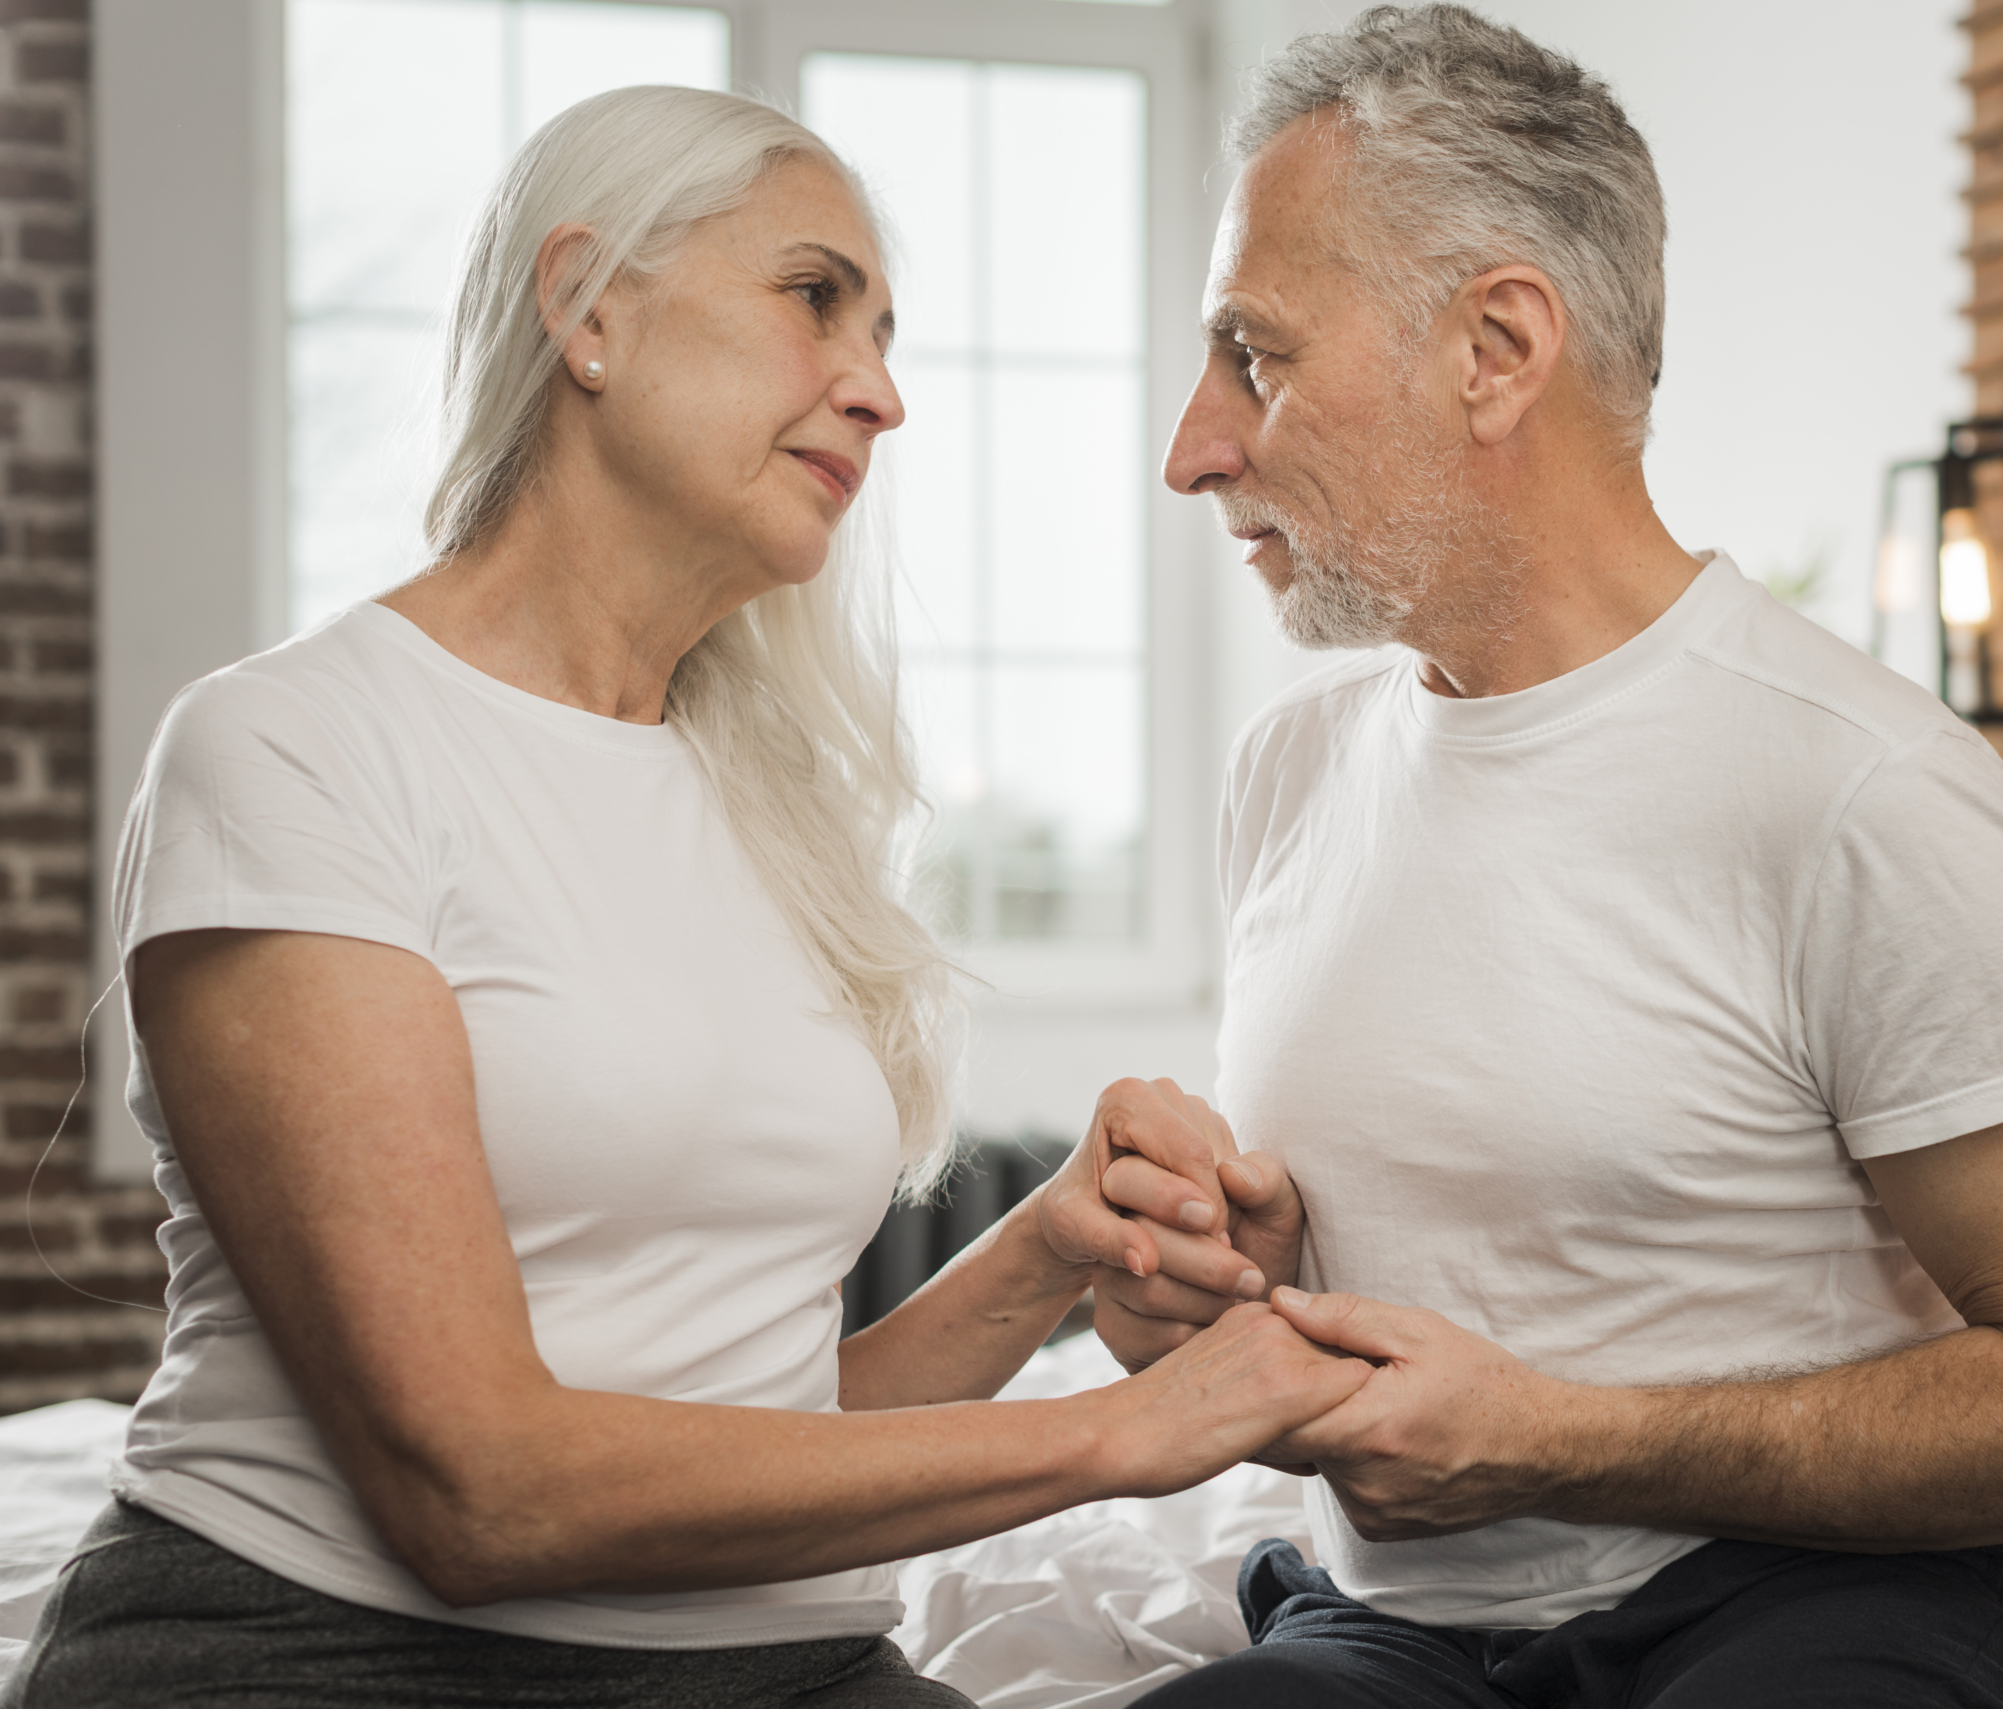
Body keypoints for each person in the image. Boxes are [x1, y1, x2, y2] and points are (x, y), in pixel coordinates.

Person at [0, 86, 1369, 1709]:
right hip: (327, 1660)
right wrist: (1115, 1433)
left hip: (785, 1662)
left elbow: (755, 1437)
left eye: (884, 334)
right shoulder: (297, 746)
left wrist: (1047, 1248)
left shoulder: (768, 806)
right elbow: (479, 1493)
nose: (881, 392)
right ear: (588, 308)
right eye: (814, 297)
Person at [1085, 8, 2003, 1706]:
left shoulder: (1866, 789)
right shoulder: (1289, 772)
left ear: (1496, 347)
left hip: (1829, 1599)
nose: (1192, 447)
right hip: (1394, 1630)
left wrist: (1561, 1439)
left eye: (1256, 353)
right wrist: (1207, 1290)